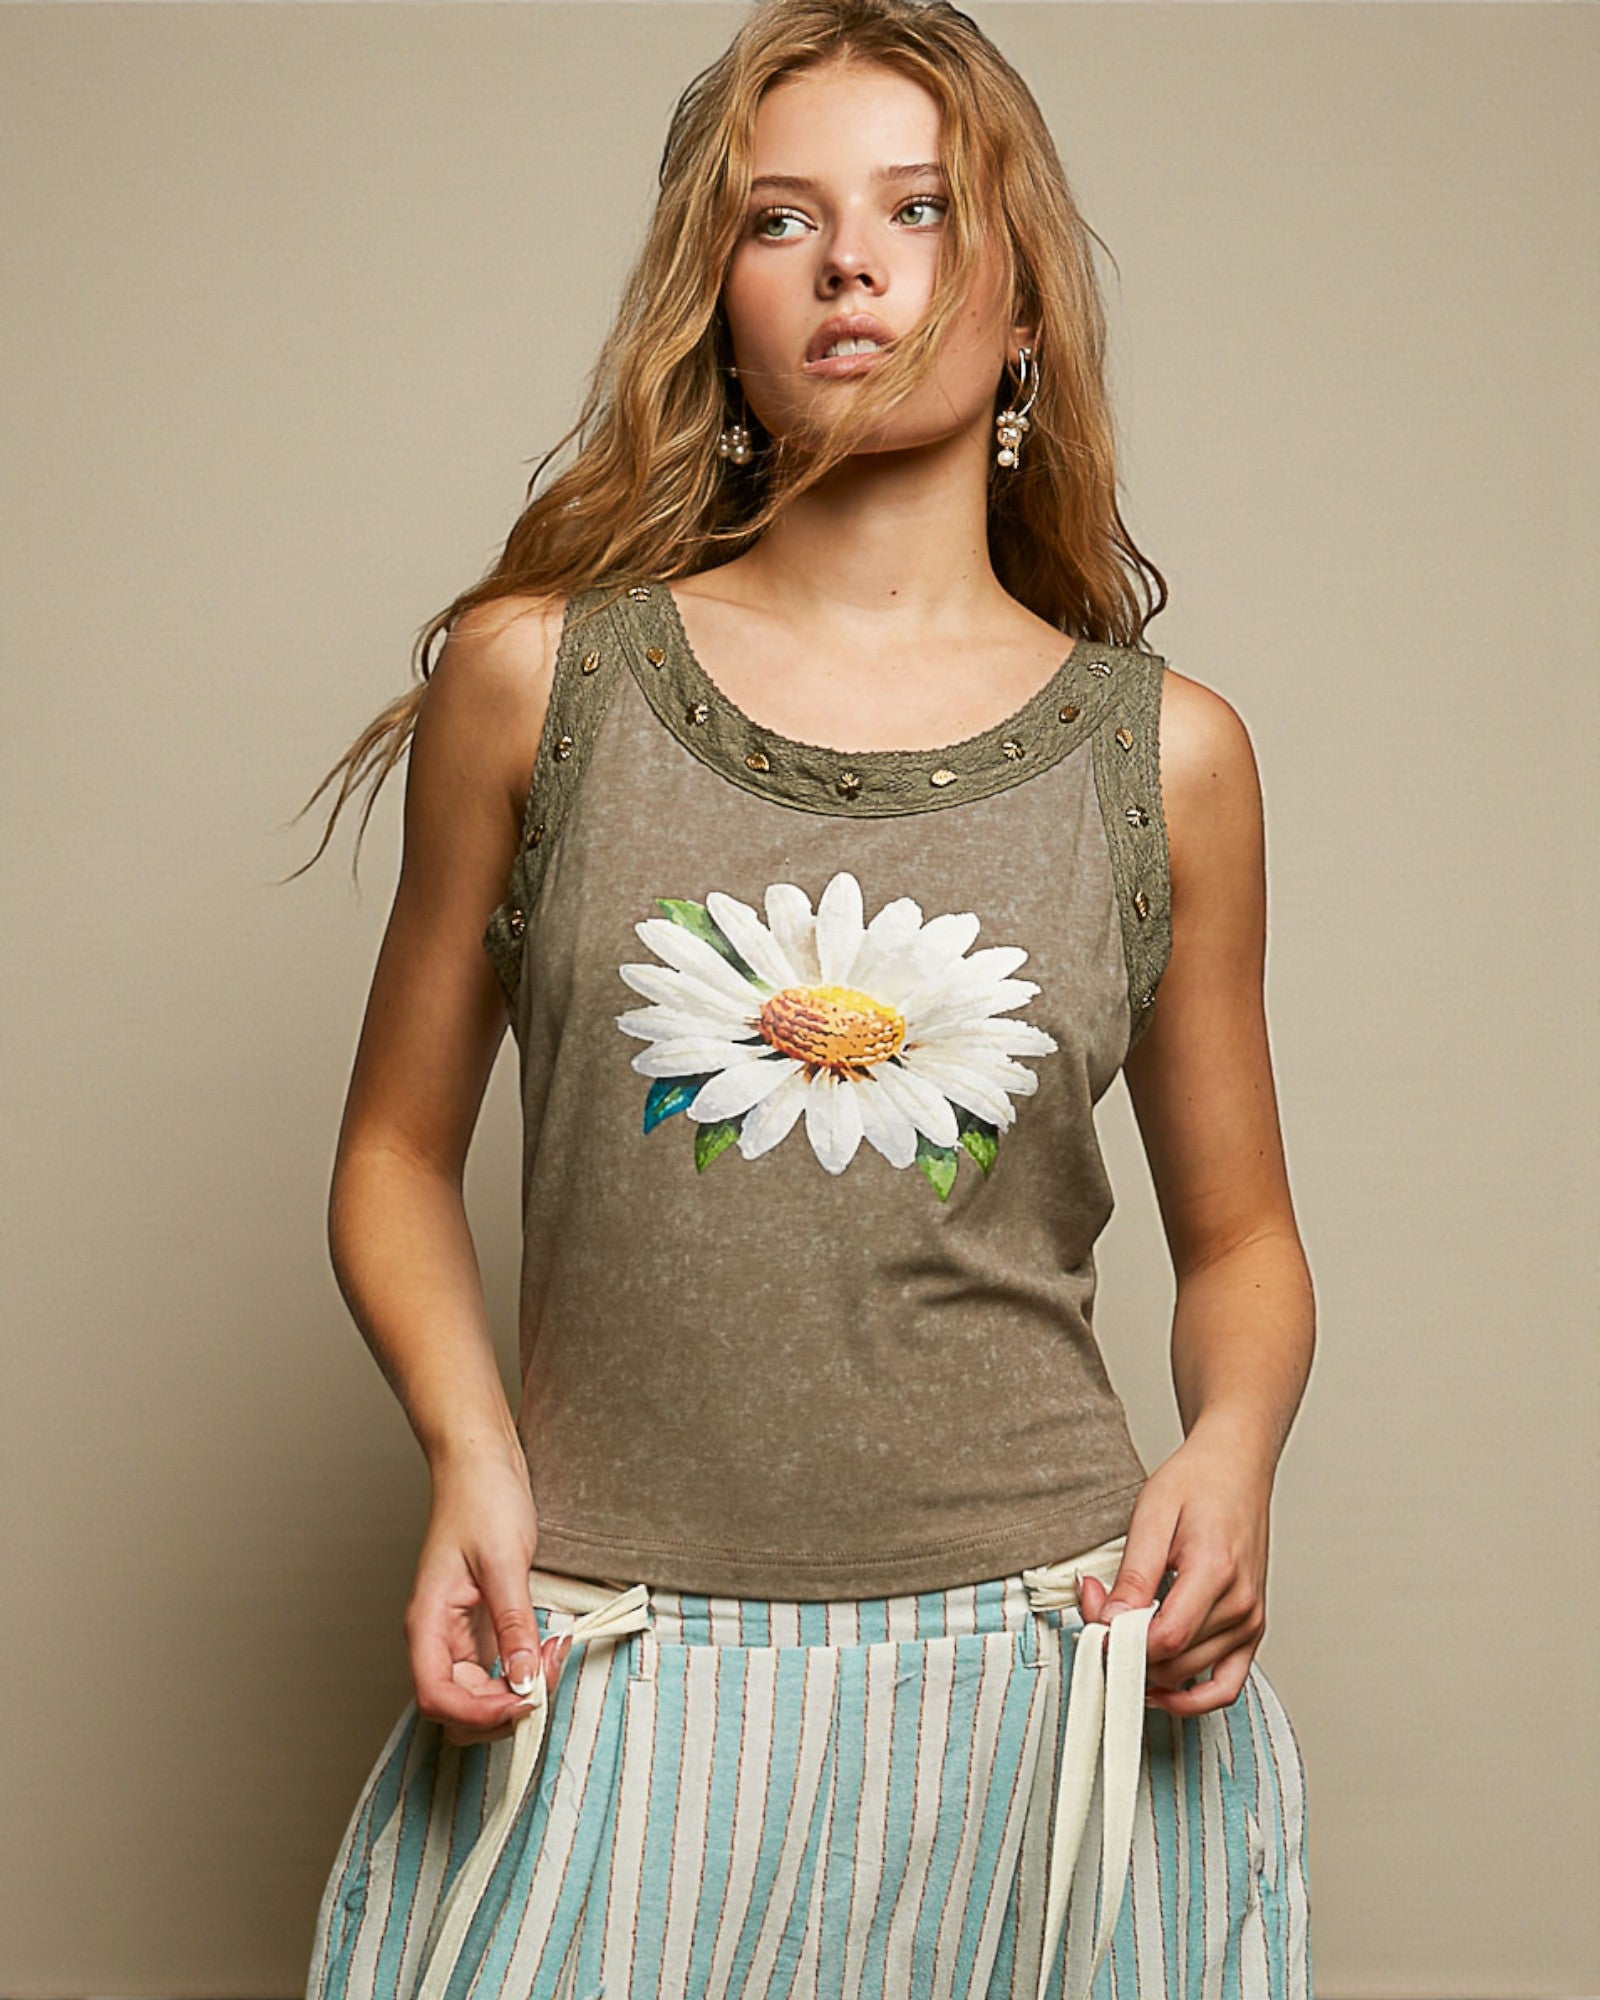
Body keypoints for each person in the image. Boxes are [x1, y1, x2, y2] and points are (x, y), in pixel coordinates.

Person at [295, 1, 1316, 1994]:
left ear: (1019, 305)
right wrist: (469, 1451)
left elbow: (1247, 1235)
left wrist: (1234, 1446)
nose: (849, 261)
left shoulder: (1164, 756)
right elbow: (394, 1151)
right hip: (613, 1648)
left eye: (919, 209)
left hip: (1044, 1672)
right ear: (720, 302)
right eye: (779, 220)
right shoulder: (537, 685)